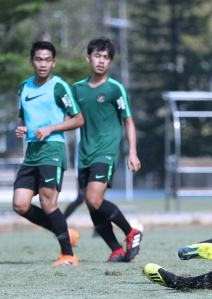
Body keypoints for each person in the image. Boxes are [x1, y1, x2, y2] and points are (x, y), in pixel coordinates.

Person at [13, 41, 84, 266]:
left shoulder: (59, 86)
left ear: (54, 62)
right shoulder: (23, 87)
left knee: (47, 202)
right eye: (38, 59)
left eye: (47, 60)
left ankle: (68, 255)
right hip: (32, 152)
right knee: (20, 204)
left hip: (52, 149)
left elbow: (78, 119)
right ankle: (65, 232)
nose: (43, 64)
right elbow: (24, 116)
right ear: (31, 61)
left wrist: (51, 128)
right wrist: (22, 127)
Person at [72, 37, 142, 262]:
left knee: (93, 199)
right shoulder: (77, 89)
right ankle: (116, 249)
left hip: (106, 152)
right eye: (97, 56)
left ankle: (131, 232)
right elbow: (68, 117)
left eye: (106, 57)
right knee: (94, 207)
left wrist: (132, 151)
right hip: (84, 155)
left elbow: (128, 121)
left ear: (110, 62)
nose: (101, 61)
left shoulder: (114, 89)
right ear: (88, 58)